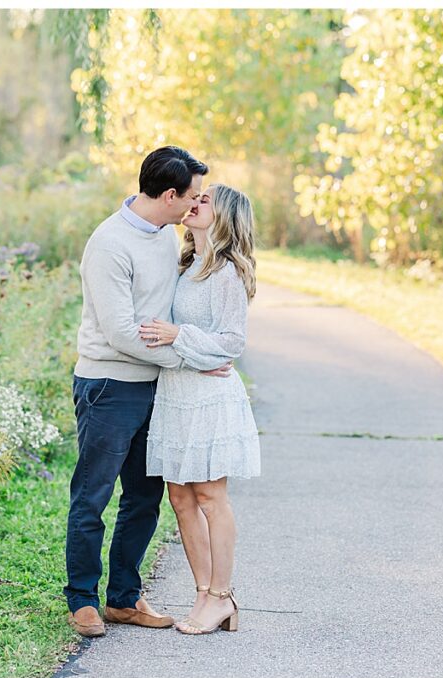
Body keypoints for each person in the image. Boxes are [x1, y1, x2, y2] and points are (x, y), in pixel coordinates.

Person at [65, 146, 234, 638]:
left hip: (154, 387)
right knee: (93, 495)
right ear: (168, 195)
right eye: (194, 196)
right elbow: (120, 332)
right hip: (108, 385)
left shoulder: (165, 237)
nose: (197, 205)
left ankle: (122, 597)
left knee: (144, 497)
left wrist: (188, 356)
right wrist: (189, 361)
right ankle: (82, 600)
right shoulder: (109, 244)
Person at [138, 183, 261, 635]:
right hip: (177, 393)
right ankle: (203, 594)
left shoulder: (227, 273)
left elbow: (232, 344)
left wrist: (179, 338)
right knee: (181, 497)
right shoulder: (184, 265)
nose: (194, 202)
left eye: (204, 200)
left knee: (210, 496)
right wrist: (188, 350)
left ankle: (222, 596)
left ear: (224, 217)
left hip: (210, 400)